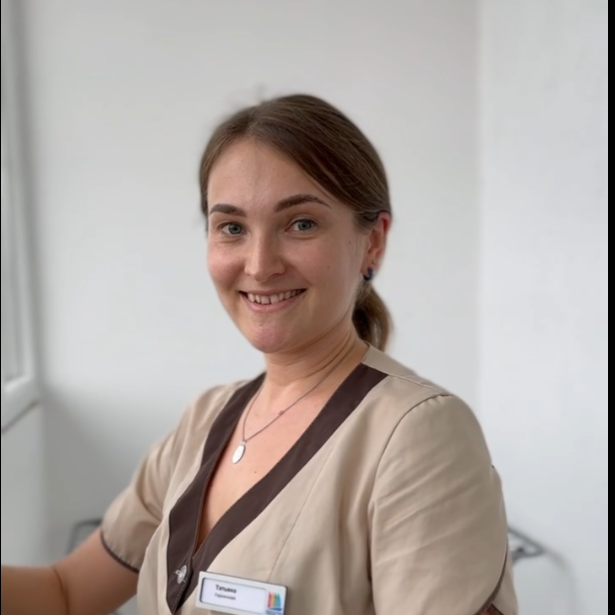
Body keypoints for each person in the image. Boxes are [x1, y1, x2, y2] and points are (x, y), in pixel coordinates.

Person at [1, 94, 518, 615]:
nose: (259, 264)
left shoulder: (419, 436)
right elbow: (65, 593)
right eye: (232, 228)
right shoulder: (205, 421)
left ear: (372, 244)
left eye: (301, 224)